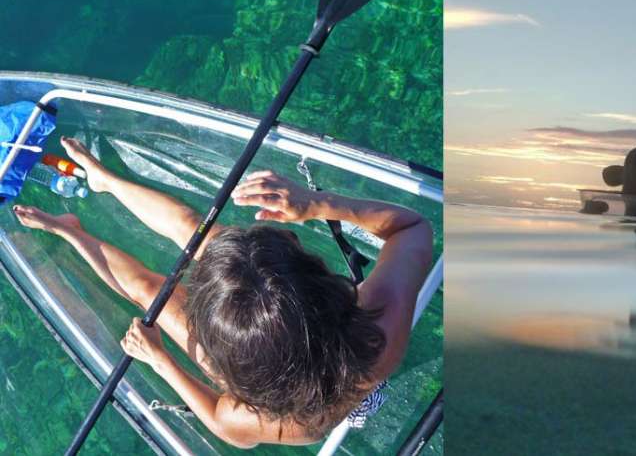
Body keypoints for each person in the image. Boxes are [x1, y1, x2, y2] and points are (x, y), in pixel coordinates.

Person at [13, 137, 433, 448]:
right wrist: (315, 204)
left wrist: (161, 360)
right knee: (190, 227)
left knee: (149, 289)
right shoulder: (377, 335)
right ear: (326, 295)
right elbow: (413, 228)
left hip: (264, 375)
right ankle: (105, 181)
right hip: (275, 361)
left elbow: (218, 419)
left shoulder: (278, 421)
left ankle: (70, 232)